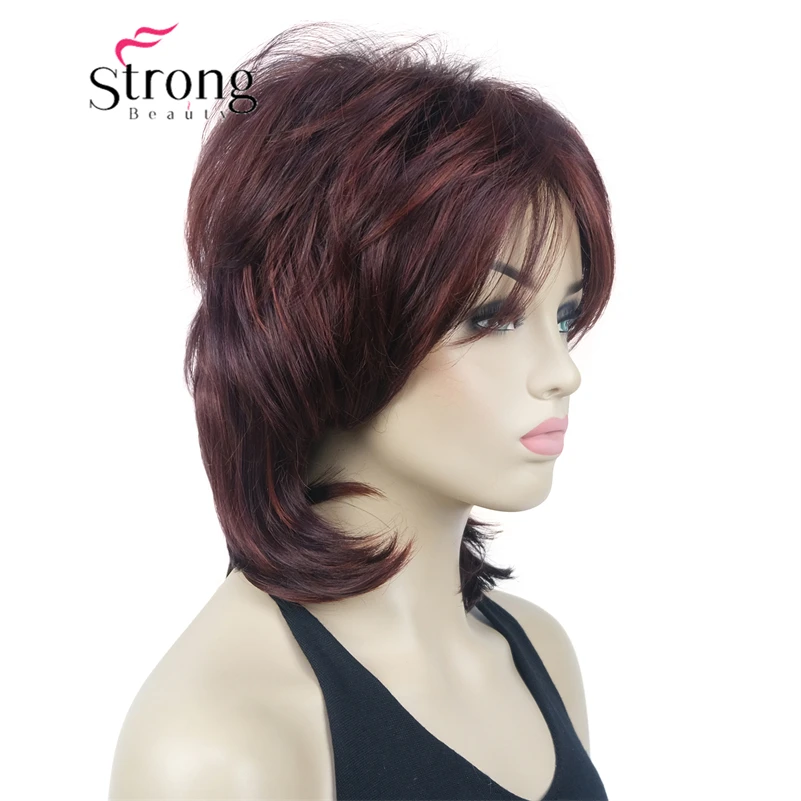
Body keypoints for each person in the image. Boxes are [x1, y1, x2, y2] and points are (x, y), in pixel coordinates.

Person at [109, 20, 615, 801]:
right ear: (331, 324)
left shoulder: (537, 655)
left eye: (564, 313)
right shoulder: (219, 743)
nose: (561, 371)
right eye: (491, 316)